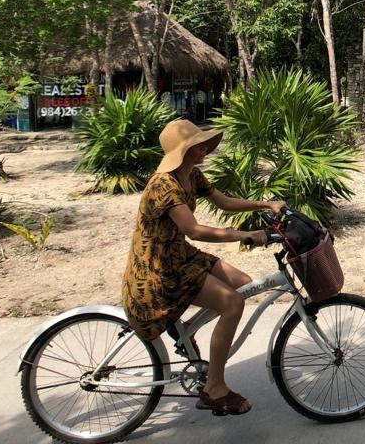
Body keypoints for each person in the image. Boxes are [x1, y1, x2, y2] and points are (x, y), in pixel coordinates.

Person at [121, 119, 285, 416]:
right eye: (197, 146)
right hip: (158, 270)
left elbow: (223, 202)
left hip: (179, 255)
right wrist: (243, 235)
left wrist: (264, 205)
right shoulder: (163, 185)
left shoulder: (192, 176)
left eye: (203, 144)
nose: (205, 149)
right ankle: (215, 388)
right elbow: (193, 230)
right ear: (181, 152)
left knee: (243, 283)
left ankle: (185, 328)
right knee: (233, 304)